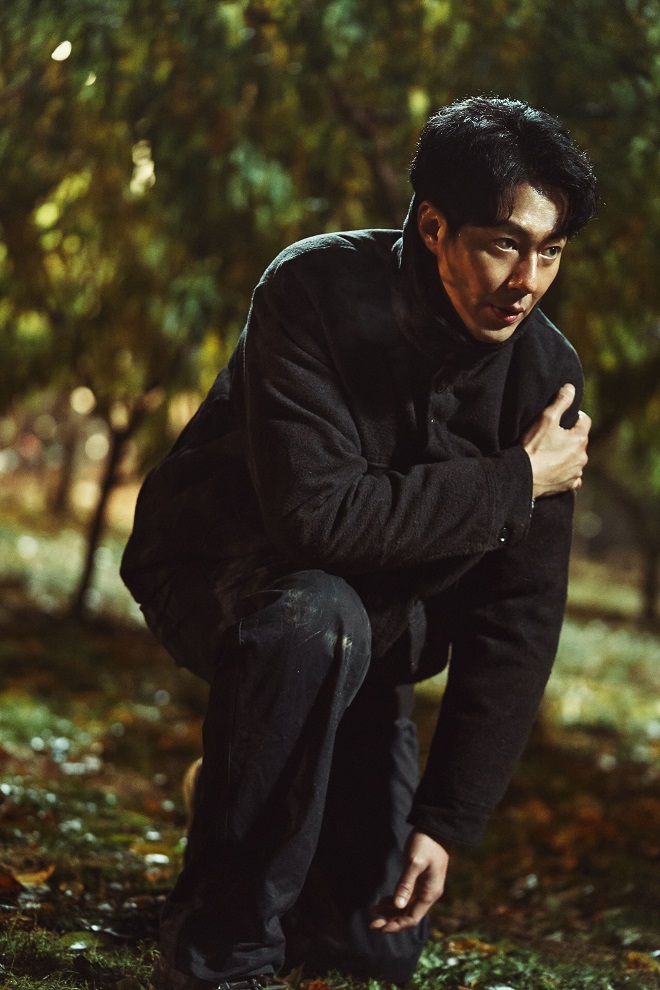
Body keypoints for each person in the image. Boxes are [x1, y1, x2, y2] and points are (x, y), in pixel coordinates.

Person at [121, 96, 597, 990]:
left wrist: (446, 821)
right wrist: (515, 480)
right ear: (434, 227)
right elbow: (318, 518)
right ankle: (223, 954)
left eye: (551, 251)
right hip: (223, 575)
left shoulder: (545, 372)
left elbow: (518, 616)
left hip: (373, 633)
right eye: (504, 244)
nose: (527, 280)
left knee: (375, 941)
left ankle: (249, 775)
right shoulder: (311, 289)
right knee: (314, 613)